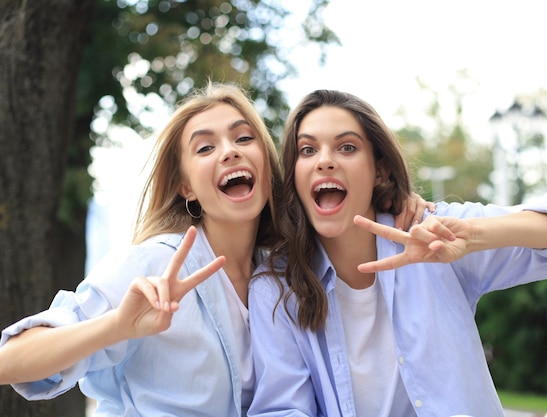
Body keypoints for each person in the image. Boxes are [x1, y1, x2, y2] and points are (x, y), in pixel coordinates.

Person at [0, 83, 431, 416]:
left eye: (244, 139)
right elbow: (11, 361)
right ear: (186, 185)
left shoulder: (289, 274)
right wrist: (117, 327)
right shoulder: (154, 264)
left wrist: (400, 200)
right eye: (205, 147)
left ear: (267, 162)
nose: (229, 153)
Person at [247, 89, 547, 417]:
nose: (325, 160)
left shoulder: (434, 235)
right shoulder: (275, 288)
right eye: (307, 149)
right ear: (294, 172)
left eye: (347, 147)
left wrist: (474, 235)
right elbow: (282, 409)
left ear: (379, 170)